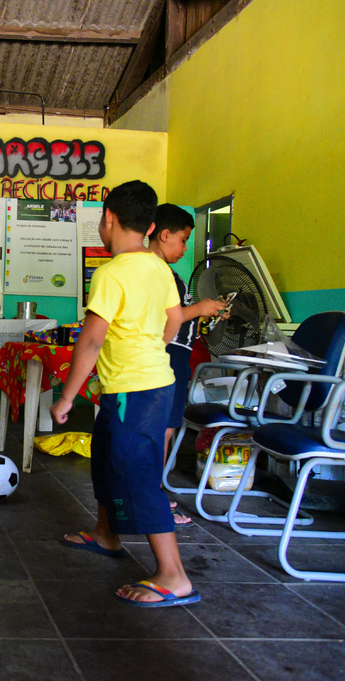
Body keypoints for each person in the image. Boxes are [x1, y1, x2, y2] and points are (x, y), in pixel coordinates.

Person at [50, 180, 199, 607]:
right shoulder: (159, 268)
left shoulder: (111, 273)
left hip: (136, 390)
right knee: (106, 461)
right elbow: (173, 322)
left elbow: (91, 340)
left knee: (138, 474)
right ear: (151, 226)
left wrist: (65, 397)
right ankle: (106, 534)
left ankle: (173, 575)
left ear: (108, 220)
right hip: (144, 386)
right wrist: (148, 345)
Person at [148, 203, 229, 526]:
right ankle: (151, 494)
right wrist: (200, 308)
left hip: (177, 356)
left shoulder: (166, 274)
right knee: (161, 430)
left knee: (165, 429)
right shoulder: (155, 273)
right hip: (166, 357)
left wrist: (205, 312)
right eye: (182, 240)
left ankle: (151, 490)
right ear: (164, 235)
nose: (184, 248)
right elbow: (162, 318)